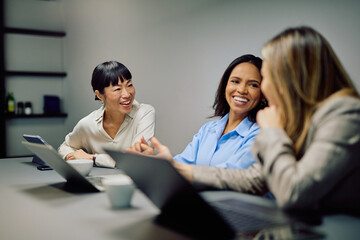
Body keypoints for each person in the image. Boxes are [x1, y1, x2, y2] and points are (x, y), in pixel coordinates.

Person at [129, 26, 360, 213]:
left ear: (293, 77)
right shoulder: (299, 120)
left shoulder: (344, 112)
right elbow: (255, 180)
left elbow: (293, 192)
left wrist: (272, 132)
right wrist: (175, 169)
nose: (264, 88)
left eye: (264, 79)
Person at [130, 54, 267, 171]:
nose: (242, 90)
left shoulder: (261, 135)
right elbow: (182, 163)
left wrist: (175, 167)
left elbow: (232, 175)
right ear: (225, 85)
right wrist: (154, 159)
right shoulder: (208, 130)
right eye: (235, 81)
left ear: (263, 94)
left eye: (253, 85)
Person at [58, 61, 155, 168]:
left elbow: (135, 159)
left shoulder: (145, 113)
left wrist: (91, 158)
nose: (127, 94)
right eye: (117, 89)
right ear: (100, 95)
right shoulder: (88, 123)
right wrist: (70, 156)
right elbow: (65, 147)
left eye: (129, 85)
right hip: (99, 181)